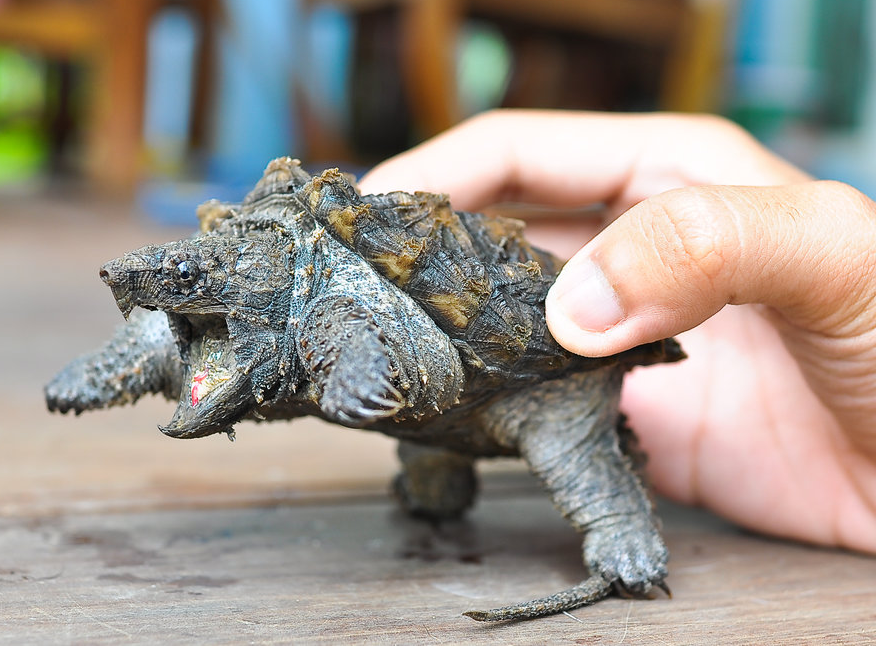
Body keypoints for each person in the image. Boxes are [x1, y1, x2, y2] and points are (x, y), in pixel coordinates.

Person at [359, 110, 876, 555]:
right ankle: (438, 476)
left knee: (573, 453)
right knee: (439, 439)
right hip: (456, 391)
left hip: (547, 368)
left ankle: (619, 531)